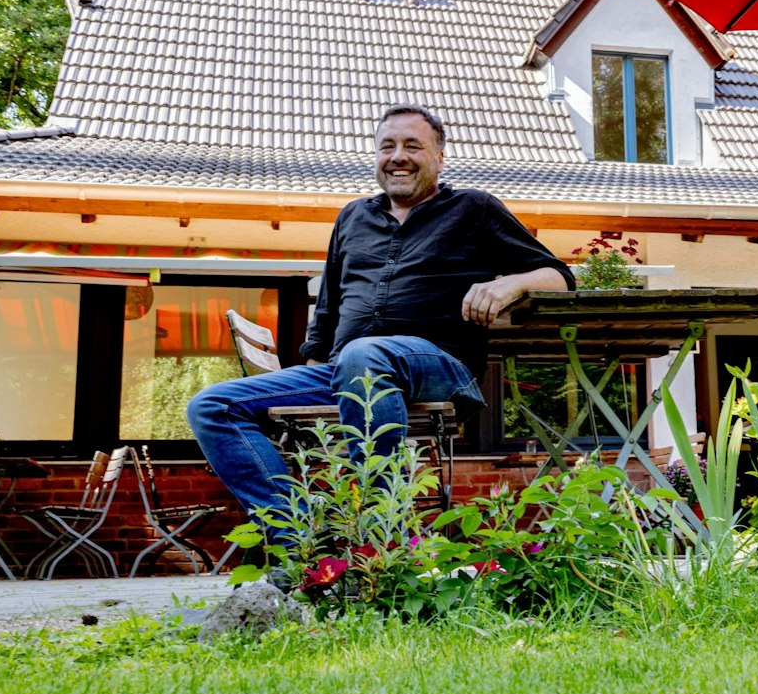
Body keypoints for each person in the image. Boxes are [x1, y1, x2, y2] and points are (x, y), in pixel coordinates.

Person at [186, 104, 574, 528]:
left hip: (439, 365)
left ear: (440, 158)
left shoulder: (473, 208)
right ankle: (299, 538)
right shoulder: (352, 217)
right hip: (347, 368)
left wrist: (510, 284)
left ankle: (381, 531)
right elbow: (329, 309)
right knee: (212, 406)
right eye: (387, 146)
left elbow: (560, 276)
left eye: (413, 145)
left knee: (364, 354)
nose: (397, 156)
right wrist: (313, 379)